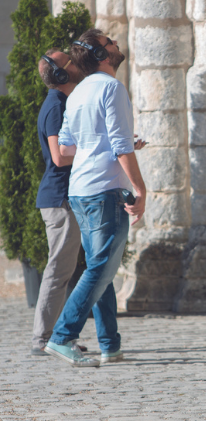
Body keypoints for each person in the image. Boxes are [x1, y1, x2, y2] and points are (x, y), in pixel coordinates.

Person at [44, 29, 146, 368]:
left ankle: (110, 344)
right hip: (104, 190)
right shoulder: (112, 87)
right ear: (102, 55)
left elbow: (68, 147)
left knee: (99, 268)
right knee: (101, 267)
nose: (116, 40)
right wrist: (141, 189)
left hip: (80, 190)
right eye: (108, 41)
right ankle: (62, 337)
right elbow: (119, 146)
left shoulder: (77, 94)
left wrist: (116, 144)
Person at [31, 49, 85, 356]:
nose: (78, 64)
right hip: (59, 199)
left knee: (65, 270)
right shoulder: (55, 106)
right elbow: (59, 156)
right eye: (71, 62)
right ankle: (43, 339)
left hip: (64, 197)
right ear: (63, 74)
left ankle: (57, 336)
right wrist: (97, 149)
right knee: (58, 269)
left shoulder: (64, 102)